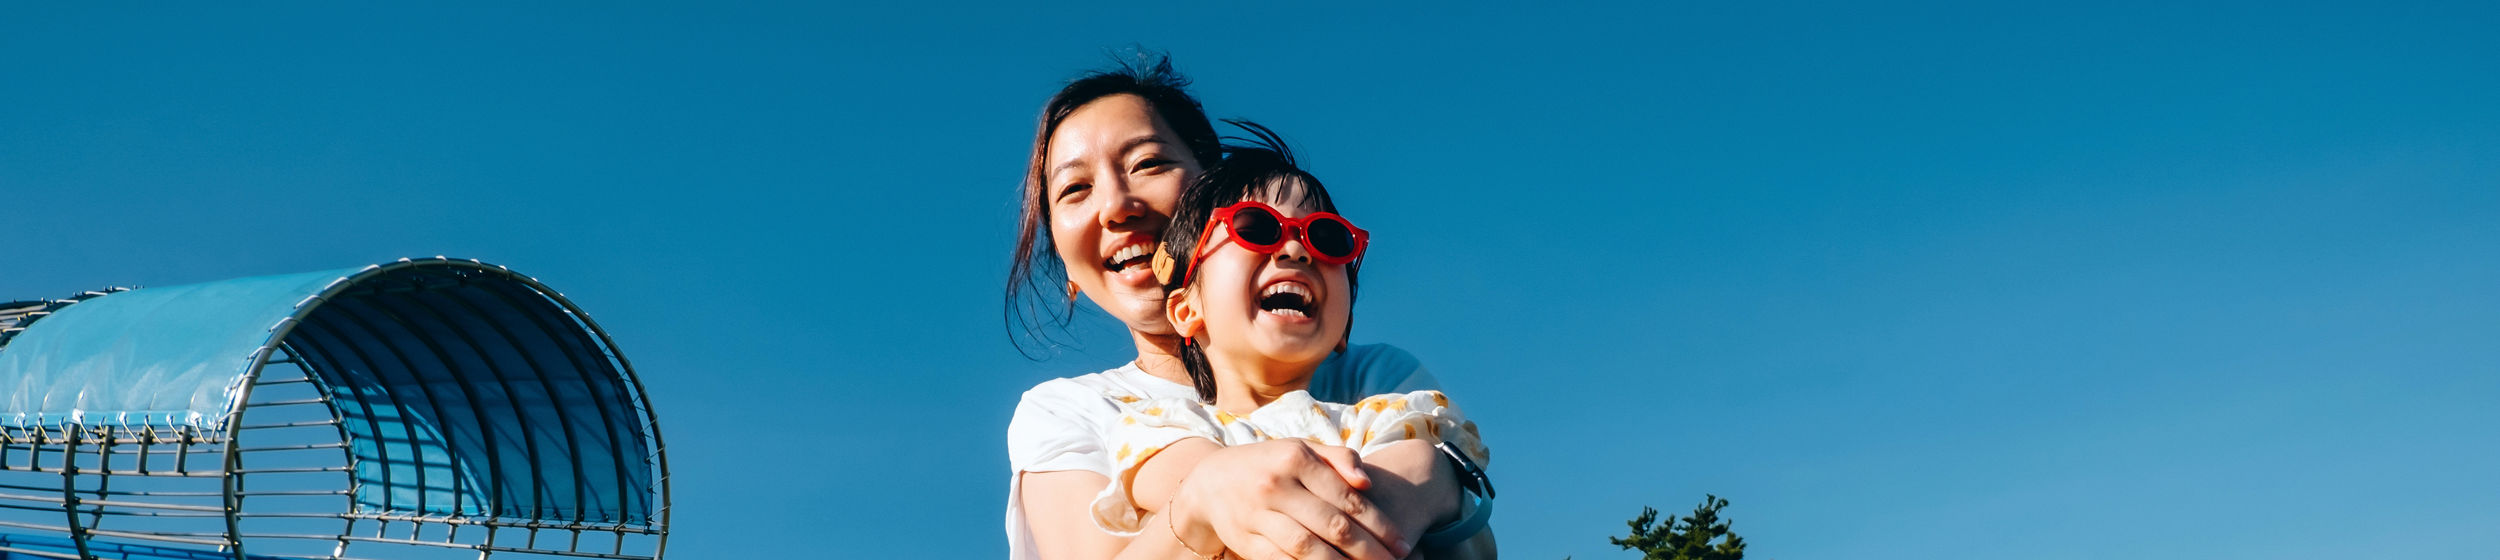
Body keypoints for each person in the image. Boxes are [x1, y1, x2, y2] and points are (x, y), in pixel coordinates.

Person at [1003, 55, 1485, 560]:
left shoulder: (1371, 378)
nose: (1116, 206)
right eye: (1075, 189)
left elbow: (1473, 535)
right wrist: (1202, 497)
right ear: (1066, 270)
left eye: (1148, 163)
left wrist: (1431, 479)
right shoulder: (1078, 413)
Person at [1086, 128, 1495, 560]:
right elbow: (1207, 485)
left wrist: (1424, 473)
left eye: (1328, 238)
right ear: (1187, 310)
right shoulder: (1161, 429)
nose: (1297, 249)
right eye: (1255, 227)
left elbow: (1444, 507)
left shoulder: (1389, 419)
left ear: (1344, 329)